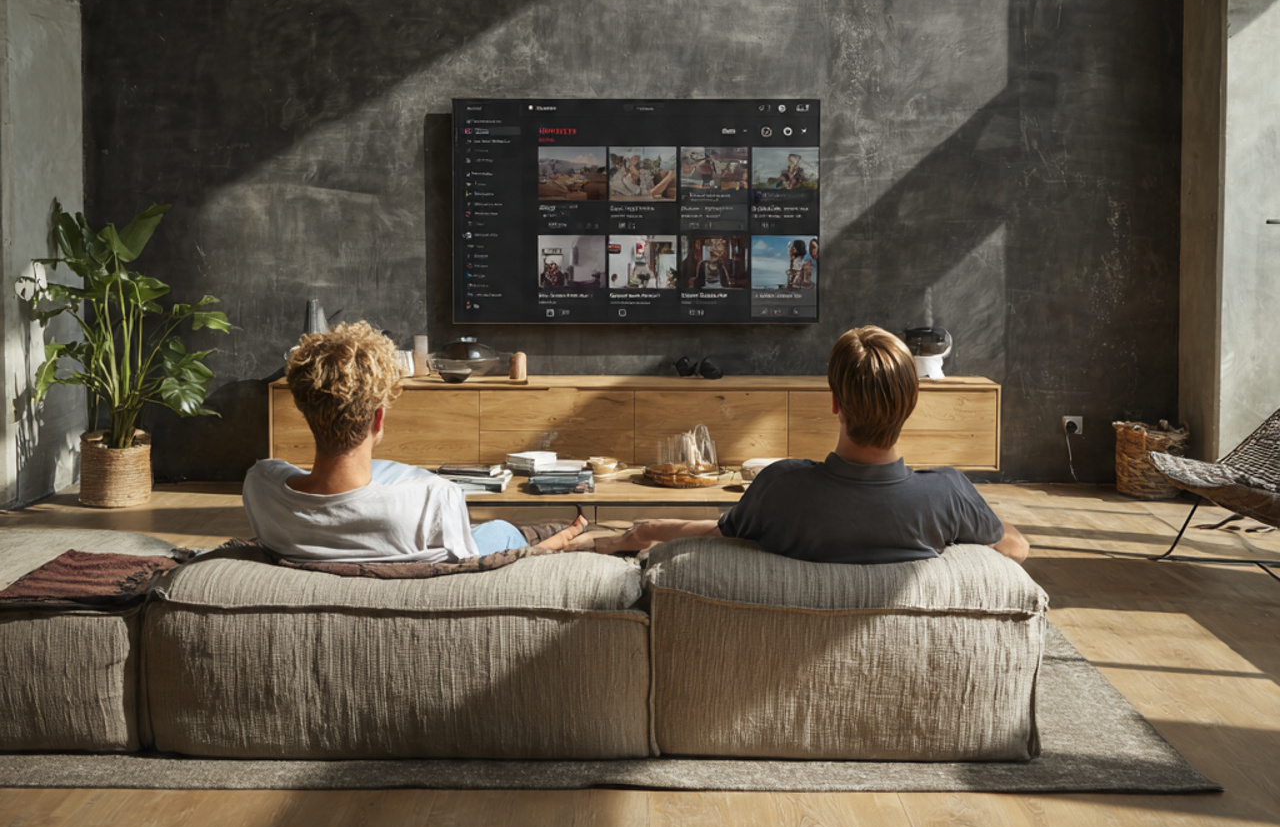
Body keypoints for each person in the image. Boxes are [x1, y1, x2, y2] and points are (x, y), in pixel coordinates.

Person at [594, 325, 1029, 565]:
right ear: (910, 405)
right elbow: (1015, 547)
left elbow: (721, 534)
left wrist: (648, 529)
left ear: (835, 402)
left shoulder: (781, 486)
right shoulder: (947, 494)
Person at [243, 321, 587, 563]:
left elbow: (293, 475)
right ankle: (540, 550)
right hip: (430, 548)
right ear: (378, 418)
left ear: (304, 408)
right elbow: (470, 570)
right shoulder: (435, 498)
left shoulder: (260, 485)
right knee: (498, 531)